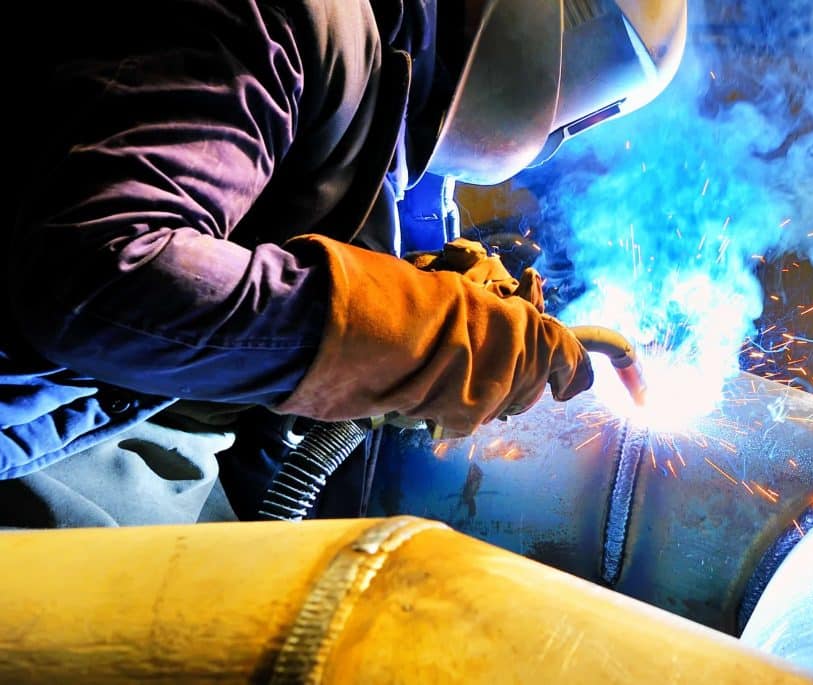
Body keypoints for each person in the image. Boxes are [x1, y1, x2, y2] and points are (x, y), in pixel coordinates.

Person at [1, 0, 687, 527]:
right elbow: (95, 275)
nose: (560, 136)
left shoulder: (393, 77)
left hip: (109, 413)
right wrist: (410, 336)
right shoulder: (286, 19)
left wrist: (412, 290)